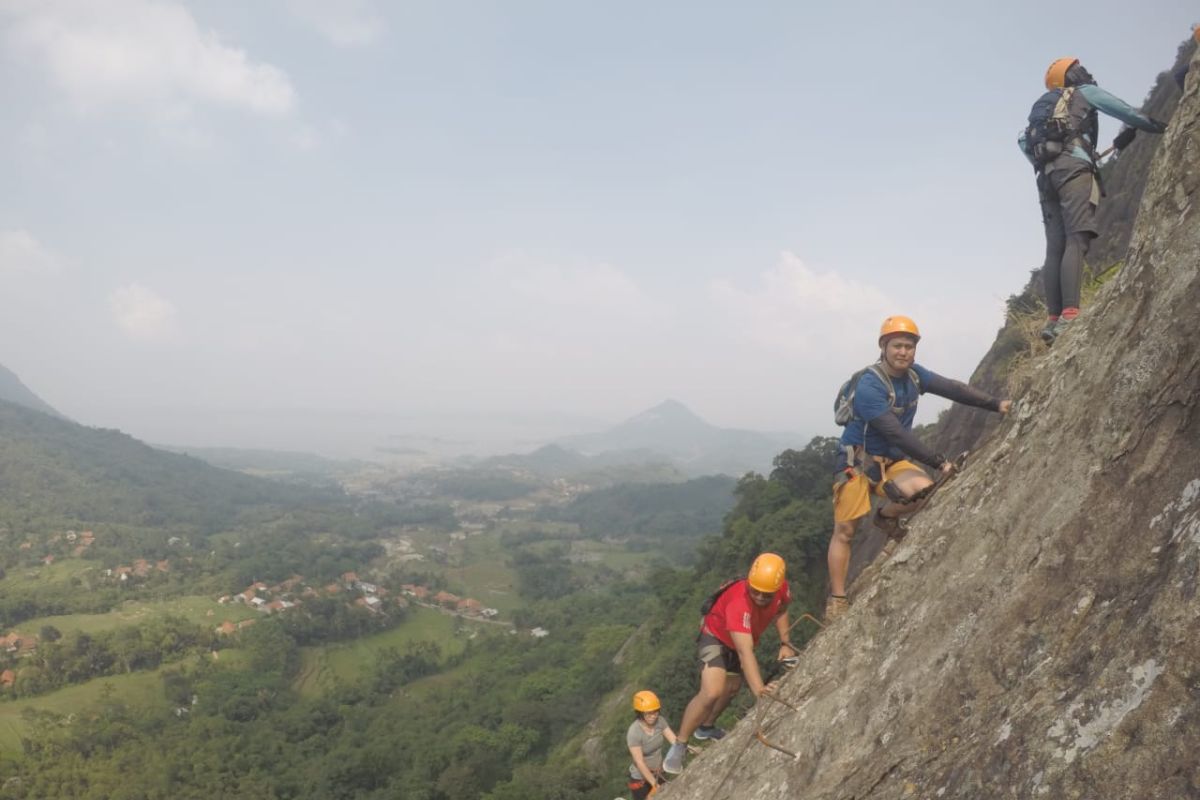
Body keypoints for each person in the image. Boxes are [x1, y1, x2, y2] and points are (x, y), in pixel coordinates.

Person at [826, 316, 1011, 622]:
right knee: (845, 531)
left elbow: (953, 389)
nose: (903, 352)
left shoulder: (914, 376)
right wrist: (939, 461)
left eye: (909, 346)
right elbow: (894, 432)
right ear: (883, 347)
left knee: (925, 492)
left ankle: (885, 519)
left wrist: (995, 404)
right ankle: (837, 597)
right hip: (857, 462)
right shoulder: (871, 385)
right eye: (897, 346)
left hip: (891, 459)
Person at [1018, 57, 1168, 344]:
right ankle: (1071, 315)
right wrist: (1161, 126)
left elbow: (1024, 144)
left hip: (1046, 177)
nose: (1086, 73)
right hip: (1074, 172)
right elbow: (1127, 112)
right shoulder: (1083, 92)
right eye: (1080, 70)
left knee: (1055, 246)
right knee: (1077, 238)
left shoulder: (1043, 111)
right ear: (1073, 76)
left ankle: (1053, 320)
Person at [662, 553, 795, 775]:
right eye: (755, 591)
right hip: (715, 637)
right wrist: (760, 690)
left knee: (731, 688)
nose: (761, 597)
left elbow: (781, 609)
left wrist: (785, 642)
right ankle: (680, 744)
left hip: (738, 641)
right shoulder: (739, 603)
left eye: (766, 594)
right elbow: (745, 652)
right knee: (712, 691)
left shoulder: (780, 590)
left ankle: (706, 728)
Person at [625, 690, 677, 799]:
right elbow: (639, 762)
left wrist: (690, 748)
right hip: (640, 780)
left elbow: (674, 741)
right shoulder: (634, 732)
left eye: (656, 712)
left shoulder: (660, 721)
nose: (653, 716)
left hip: (658, 773)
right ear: (640, 713)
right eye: (649, 713)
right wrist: (654, 784)